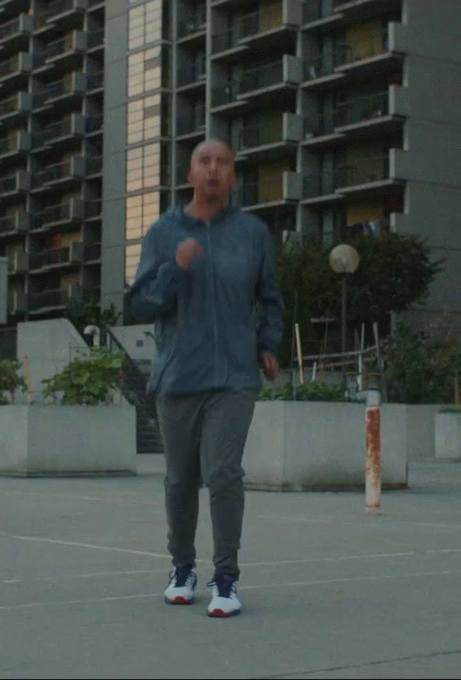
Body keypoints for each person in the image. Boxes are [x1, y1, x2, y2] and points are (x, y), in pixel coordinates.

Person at [125, 139, 284, 618]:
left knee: (224, 475)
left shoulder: (253, 234)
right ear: (190, 175)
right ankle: (182, 567)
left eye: (223, 163)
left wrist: (268, 345)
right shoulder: (163, 232)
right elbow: (138, 306)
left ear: (233, 177)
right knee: (180, 481)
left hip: (235, 377)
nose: (214, 169)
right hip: (178, 377)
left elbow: (270, 299)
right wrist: (176, 267)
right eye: (204, 162)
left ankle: (227, 578)